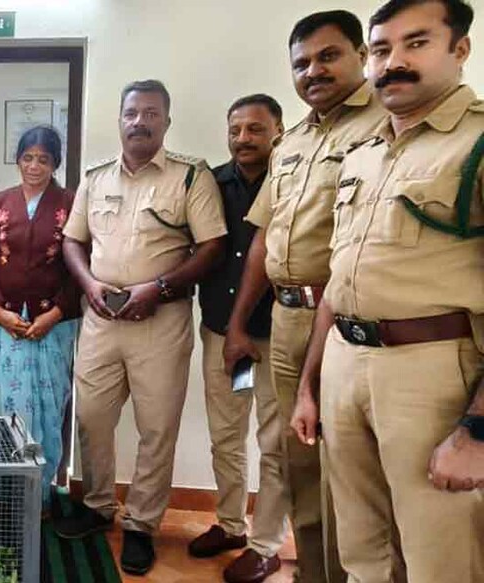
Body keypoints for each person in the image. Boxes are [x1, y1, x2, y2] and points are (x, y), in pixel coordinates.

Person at [292, 1, 484, 580]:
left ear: (459, 50)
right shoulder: (365, 155)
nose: (394, 62)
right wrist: (310, 384)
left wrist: (477, 430)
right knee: (361, 547)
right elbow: (339, 279)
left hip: (429, 372)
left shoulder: (475, 145)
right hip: (345, 365)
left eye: (416, 43)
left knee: (438, 554)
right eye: (381, 50)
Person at [225, 11, 386, 583]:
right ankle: (314, 572)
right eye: (301, 63)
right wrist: (240, 322)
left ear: (362, 55)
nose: (313, 71)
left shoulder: (386, 125)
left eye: (327, 56)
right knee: (300, 467)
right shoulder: (293, 140)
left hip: (345, 322)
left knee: (349, 469)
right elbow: (265, 239)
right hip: (287, 322)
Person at [56, 80, 227, 576]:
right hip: (102, 317)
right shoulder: (96, 176)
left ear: (166, 122)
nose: (140, 121)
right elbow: (73, 240)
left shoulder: (190, 177)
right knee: (91, 417)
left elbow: (212, 246)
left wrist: (159, 289)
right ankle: (98, 505)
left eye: (151, 113)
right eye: (132, 112)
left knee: (156, 427)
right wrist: (88, 284)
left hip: (161, 318)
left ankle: (141, 525)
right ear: (120, 118)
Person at [189, 95, 287, 583]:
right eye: (235, 130)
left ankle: (267, 543)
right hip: (221, 335)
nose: (243, 139)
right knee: (226, 436)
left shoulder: (291, 180)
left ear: (278, 131)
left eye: (255, 129)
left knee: (274, 443)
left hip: (277, 336)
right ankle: (231, 525)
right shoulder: (210, 182)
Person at [0, 125, 79, 509]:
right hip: (5, 324)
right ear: (17, 160)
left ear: (55, 164)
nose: (34, 166)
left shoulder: (72, 203)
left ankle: (40, 494)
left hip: (54, 324)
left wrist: (57, 313)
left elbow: (83, 267)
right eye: (27, 158)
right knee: (5, 403)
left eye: (44, 160)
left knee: (50, 404)